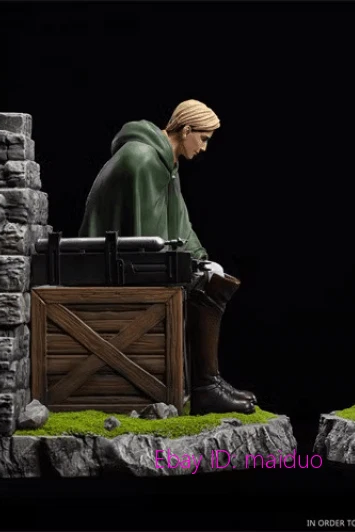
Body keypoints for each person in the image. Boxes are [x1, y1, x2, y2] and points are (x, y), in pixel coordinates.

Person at [78, 100, 257, 415]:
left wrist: (201, 258)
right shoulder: (143, 159)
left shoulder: (165, 163)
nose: (203, 148)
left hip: (131, 257)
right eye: (203, 139)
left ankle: (209, 382)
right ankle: (205, 387)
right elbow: (146, 234)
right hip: (109, 266)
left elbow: (178, 222)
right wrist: (190, 267)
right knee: (207, 290)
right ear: (186, 130)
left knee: (214, 279)